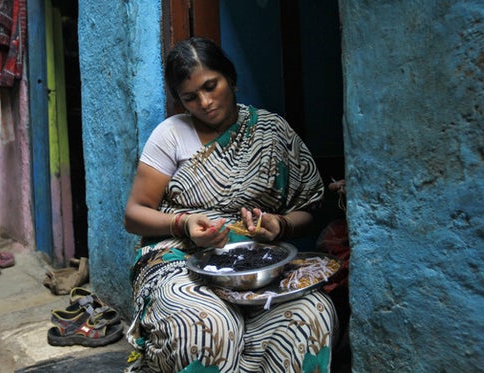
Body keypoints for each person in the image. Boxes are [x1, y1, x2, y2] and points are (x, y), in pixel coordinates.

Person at [124, 37, 337, 372]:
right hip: (180, 259)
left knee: (312, 314)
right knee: (208, 326)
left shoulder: (272, 131)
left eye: (212, 86)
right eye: (190, 97)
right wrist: (183, 225)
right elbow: (134, 214)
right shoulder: (171, 135)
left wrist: (280, 226)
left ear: (231, 78)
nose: (206, 102)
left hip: (256, 262)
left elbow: (310, 208)